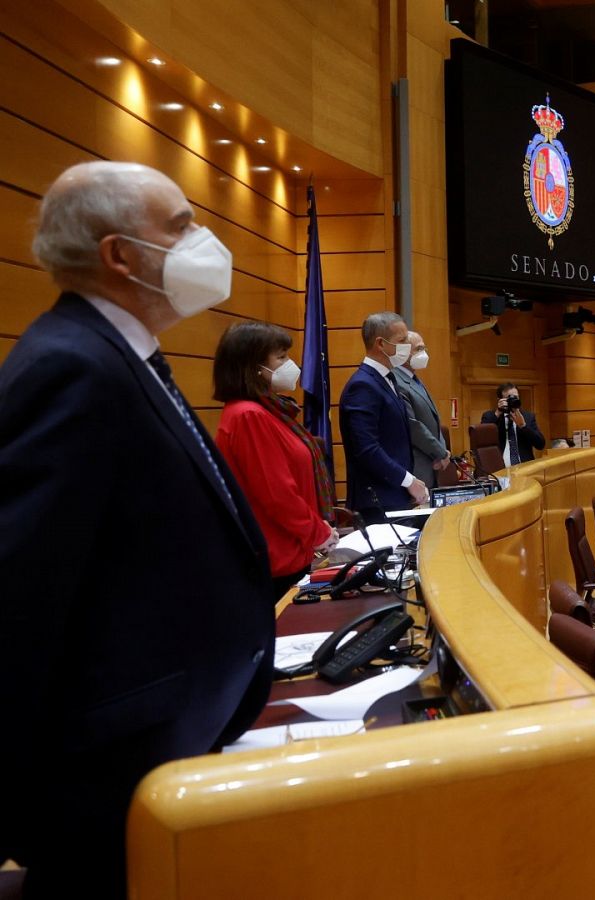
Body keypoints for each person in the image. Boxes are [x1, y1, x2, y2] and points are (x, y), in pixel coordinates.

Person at [0, 161, 274, 897]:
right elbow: (22, 597)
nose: (205, 244)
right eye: (182, 227)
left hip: (161, 753)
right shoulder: (71, 367)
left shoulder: (123, 355)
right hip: (105, 782)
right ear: (120, 255)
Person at [213, 322, 338, 597]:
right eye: (281, 357)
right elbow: (277, 494)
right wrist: (319, 532)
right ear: (253, 366)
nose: (291, 364)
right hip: (276, 559)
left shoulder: (270, 412)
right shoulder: (249, 416)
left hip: (292, 550)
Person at [343, 311, 429, 519]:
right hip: (377, 500)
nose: (407, 348)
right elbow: (367, 449)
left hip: (394, 495)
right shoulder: (363, 385)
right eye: (401, 341)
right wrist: (409, 481)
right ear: (381, 344)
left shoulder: (387, 379)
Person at [394, 330, 450, 488]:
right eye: (419, 349)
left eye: (425, 349)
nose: (424, 354)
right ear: (403, 352)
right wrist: (441, 453)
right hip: (416, 467)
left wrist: (443, 451)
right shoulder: (397, 381)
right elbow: (414, 426)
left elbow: (434, 421)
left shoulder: (414, 379)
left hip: (432, 464)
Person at [483, 382, 547, 466]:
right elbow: (483, 437)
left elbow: (540, 444)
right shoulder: (491, 416)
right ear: (500, 400)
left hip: (524, 469)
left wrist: (524, 426)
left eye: (516, 397)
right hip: (499, 469)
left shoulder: (528, 417)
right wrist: (498, 413)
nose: (513, 401)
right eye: (509, 398)